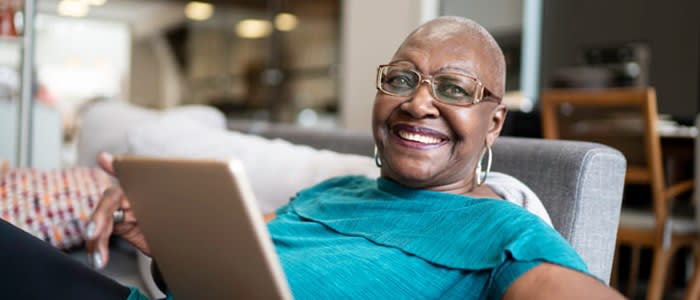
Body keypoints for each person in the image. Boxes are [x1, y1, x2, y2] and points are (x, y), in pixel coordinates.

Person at [0, 17, 624, 299]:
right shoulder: (333, 194)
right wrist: (162, 242)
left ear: (493, 124)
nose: (419, 104)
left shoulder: (506, 232)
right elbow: (237, 274)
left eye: (454, 89)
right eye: (402, 80)